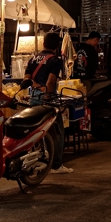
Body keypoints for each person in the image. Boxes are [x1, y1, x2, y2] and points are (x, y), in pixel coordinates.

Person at [24, 32, 71, 174]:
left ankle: (36, 160)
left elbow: (26, 79)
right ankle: (56, 165)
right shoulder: (55, 60)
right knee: (56, 131)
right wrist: (47, 95)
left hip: (33, 98)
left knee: (36, 131)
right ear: (57, 46)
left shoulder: (33, 59)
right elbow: (51, 82)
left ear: (43, 43)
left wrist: (37, 87)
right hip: (47, 99)